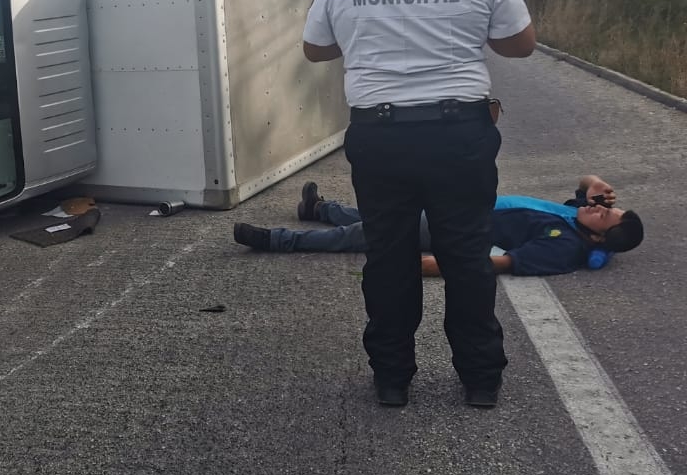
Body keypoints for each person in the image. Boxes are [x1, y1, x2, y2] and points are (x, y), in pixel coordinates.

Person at [301, 0, 537, 409]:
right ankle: (481, 379)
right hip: (460, 134)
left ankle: (392, 379)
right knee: (466, 254)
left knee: (388, 256)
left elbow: (315, 49)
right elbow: (520, 43)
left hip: (380, 138)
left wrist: (367, 33)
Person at [234, 177, 645, 279]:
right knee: (386, 212)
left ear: (598, 238)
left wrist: (435, 265)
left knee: (365, 234)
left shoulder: (566, 247)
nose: (596, 208)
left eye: (604, 216)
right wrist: (594, 183)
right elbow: (587, 184)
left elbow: (506, 263)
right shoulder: (574, 216)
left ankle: (276, 241)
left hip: (457, 230)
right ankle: (320, 209)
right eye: (604, 207)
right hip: (460, 210)